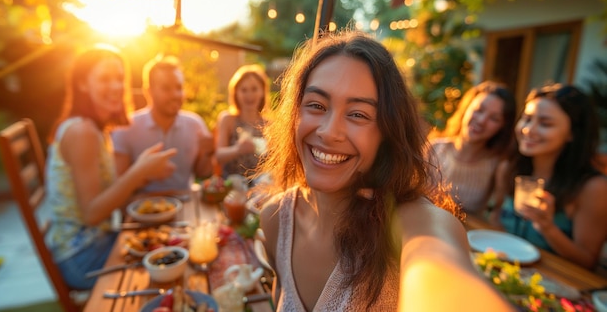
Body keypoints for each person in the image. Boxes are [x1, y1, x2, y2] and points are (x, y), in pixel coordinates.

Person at [257, 31, 513, 311]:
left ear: (387, 133)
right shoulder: (275, 219)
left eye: (358, 114)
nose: (329, 132)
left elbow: (440, 263)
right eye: (317, 105)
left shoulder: (409, 223)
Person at [45, 44, 177, 289]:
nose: (116, 87)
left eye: (119, 79)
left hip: (96, 243)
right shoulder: (82, 131)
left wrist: (143, 174)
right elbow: (92, 213)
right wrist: (139, 171)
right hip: (82, 256)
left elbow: (102, 197)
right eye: (105, 79)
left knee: (170, 243)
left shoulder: (93, 129)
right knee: (170, 263)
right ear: (83, 84)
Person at [491, 83, 607, 269]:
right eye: (527, 119)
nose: (528, 129)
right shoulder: (508, 168)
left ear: (572, 134)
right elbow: (497, 216)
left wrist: (548, 228)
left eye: (545, 124)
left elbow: (587, 261)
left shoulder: (593, 188)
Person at [112, 55, 214, 193]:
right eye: (166, 88)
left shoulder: (195, 124)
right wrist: (144, 174)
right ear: (148, 91)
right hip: (141, 207)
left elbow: (203, 173)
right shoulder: (126, 128)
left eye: (179, 88)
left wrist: (208, 154)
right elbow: (116, 187)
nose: (175, 95)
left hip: (185, 204)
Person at [428, 82, 516, 217]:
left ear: (502, 127)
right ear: (466, 108)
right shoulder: (433, 148)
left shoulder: (497, 166)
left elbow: (494, 217)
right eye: (479, 110)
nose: (481, 120)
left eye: (494, 118)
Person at [214, 64, 270, 183]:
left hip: (261, 185)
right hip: (232, 183)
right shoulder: (228, 120)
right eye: (244, 90)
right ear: (236, 93)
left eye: (254, 89)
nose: (249, 95)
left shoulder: (269, 124)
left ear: (262, 92)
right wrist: (237, 149)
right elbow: (218, 156)